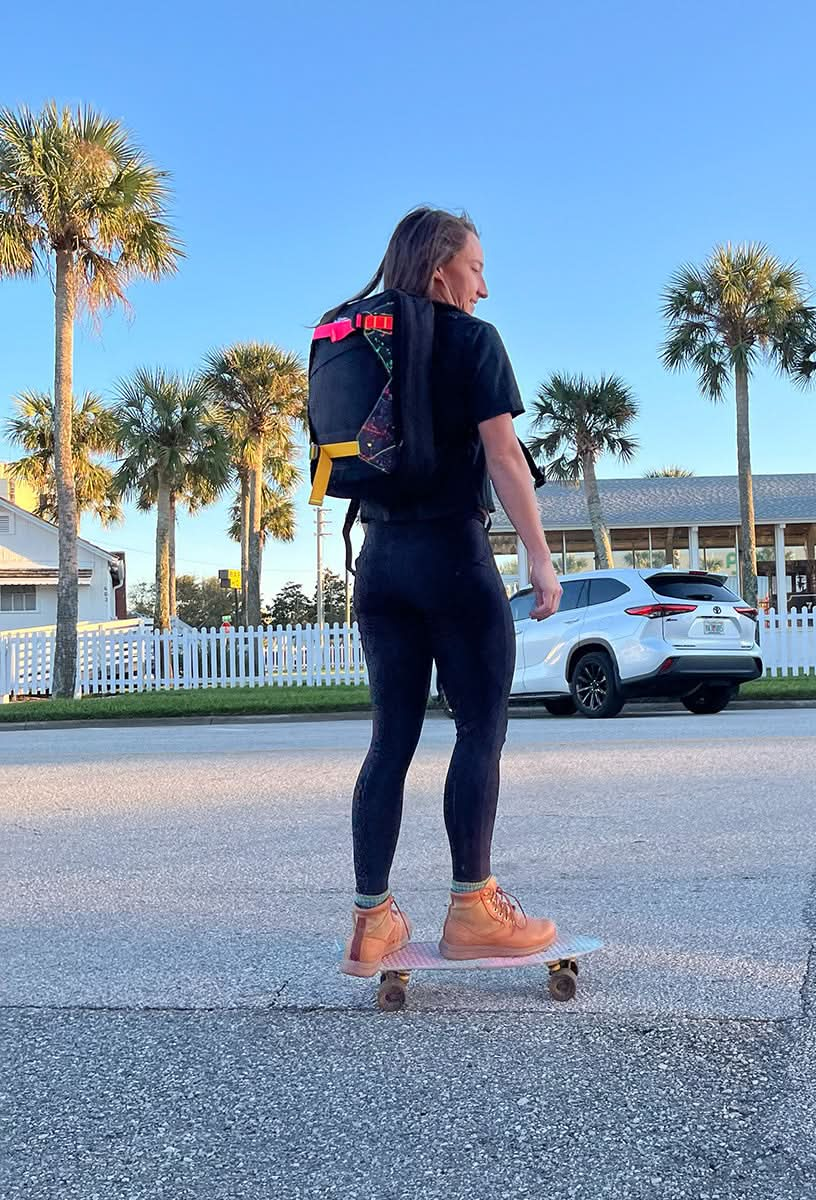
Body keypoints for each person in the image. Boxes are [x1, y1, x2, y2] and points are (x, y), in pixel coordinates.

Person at [339, 208, 563, 979]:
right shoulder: (473, 341)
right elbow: (504, 457)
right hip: (451, 558)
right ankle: (473, 909)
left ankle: (372, 919)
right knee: (479, 728)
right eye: (475, 269)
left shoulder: (364, 344)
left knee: (389, 740)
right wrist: (539, 558)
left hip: (379, 562)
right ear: (442, 271)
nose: (484, 286)